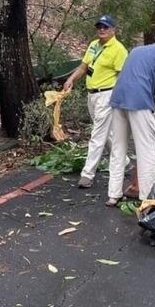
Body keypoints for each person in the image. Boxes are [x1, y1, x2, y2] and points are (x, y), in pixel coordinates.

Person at [106, 30, 155, 206]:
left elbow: (136, 81)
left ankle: (113, 195)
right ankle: (147, 198)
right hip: (140, 104)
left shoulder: (136, 51)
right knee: (147, 151)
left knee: (118, 149)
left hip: (118, 100)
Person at [63, 15, 129, 189]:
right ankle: (126, 161)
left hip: (107, 94)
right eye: (100, 27)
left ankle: (87, 174)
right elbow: (84, 67)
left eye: (106, 27)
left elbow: (123, 75)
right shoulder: (93, 45)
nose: (102, 30)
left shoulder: (118, 49)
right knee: (105, 132)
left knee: (97, 134)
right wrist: (71, 80)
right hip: (92, 94)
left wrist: (119, 97)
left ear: (113, 30)